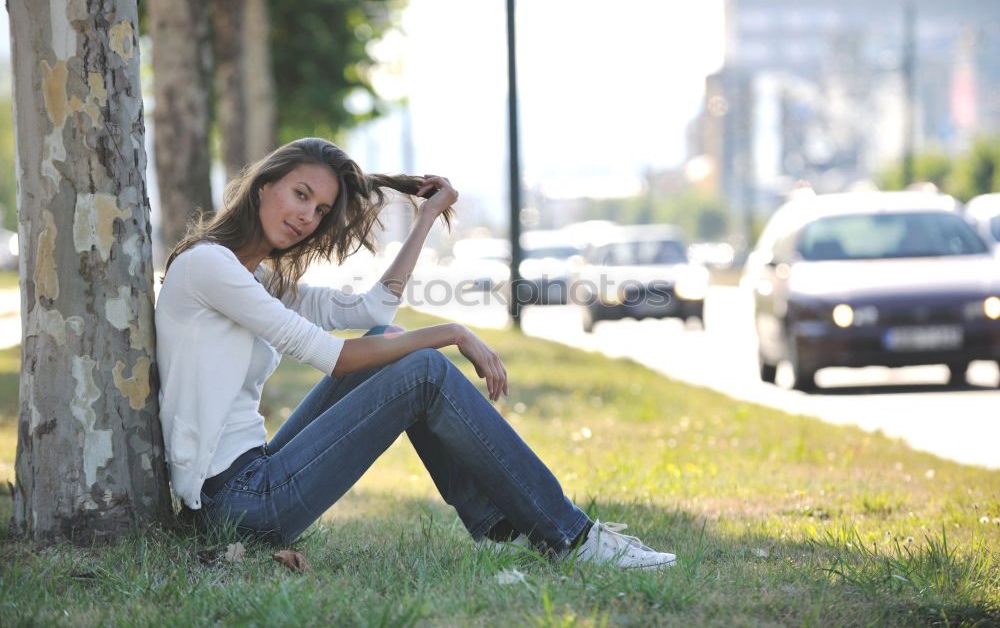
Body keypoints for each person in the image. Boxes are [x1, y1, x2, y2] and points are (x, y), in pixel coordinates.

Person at [156, 137, 675, 570]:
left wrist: (426, 217)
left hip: (253, 475)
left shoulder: (254, 276)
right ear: (263, 185)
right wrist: (448, 332)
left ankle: (500, 532)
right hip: (241, 501)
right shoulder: (210, 268)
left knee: (392, 339)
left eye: (318, 210)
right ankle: (575, 538)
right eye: (300, 194)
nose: (306, 217)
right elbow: (331, 357)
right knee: (422, 368)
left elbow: (370, 308)